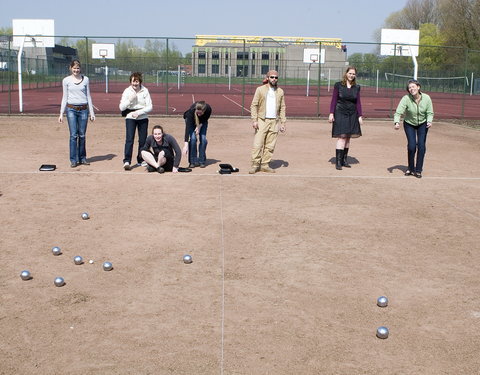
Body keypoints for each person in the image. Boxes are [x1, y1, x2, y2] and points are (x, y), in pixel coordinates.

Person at [58, 60, 95, 168]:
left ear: (80, 69)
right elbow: (64, 97)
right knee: (73, 135)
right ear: (71, 68)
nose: (76, 70)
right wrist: (61, 113)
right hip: (71, 110)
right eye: (74, 68)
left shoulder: (86, 79)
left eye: (78, 68)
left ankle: (82, 158)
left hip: (83, 109)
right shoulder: (66, 81)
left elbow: (88, 96)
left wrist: (92, 113)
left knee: (82, 135)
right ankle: (73, 160)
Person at [394, 79, 434, 178]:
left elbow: (430, 112)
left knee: (421, 146)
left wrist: (429, 121)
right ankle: (410, 168)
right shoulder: (406, 98)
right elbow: (399, 112)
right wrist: (396, 122)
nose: (411, 89)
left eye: (413, 87)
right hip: (409, 124)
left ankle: (418, 170)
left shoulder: (427, 98)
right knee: (412, 146)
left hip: (423, 124)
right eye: (409, 88)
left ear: (418, 87)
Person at [249, 70, 286, 174]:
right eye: (272, 77)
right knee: (258, 144)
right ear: (267, 78)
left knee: (270, 146)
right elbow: (254, 105)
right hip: (262, 120)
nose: (274, 79)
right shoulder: (260, 90)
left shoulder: (280, 91)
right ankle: (255, 165)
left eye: (276, 77)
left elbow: (282, 107)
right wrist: (254, 120)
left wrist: (283, 123)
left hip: (274, 121)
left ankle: (265, 165)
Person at [328, 66, 363, 170]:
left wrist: (360, 115)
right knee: (342, 137)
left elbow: (358, 102)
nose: (351, 75)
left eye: (353, 74)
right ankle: (338, 162)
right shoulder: (338, 85)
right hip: (340, 112)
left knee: (348, 137)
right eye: (350, 73)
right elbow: (334, 100)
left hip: (352, 113)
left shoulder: (357, 87)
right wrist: (331, 113)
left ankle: (344, 160)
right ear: (346, 73)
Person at [119, 72, 153, 170]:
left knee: (143, 140)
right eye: (133, 82)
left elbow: (150, 106)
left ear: (140, 82)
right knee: (129, 139)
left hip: (142, 117)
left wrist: (140, 112)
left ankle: (141, 160)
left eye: (137, 82)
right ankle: (127, 161)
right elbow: (121, 107)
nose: (135, 84)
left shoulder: (145, 91)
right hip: (130, 117)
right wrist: (130, 100)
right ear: (130, 82)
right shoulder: (127, 91)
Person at [182, 101, 212, 168]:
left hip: (203, 122)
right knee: (193, 139)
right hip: (191, 121)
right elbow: (187, 130)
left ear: (204, 111)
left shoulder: (208, 109)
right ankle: (192, 161)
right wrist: (185, 145)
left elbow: (205, 119)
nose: (198, 114)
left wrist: (199, 126)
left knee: (203, 139)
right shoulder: (190, 113)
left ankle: (202, 161)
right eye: (197, 113)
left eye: (200, 113)